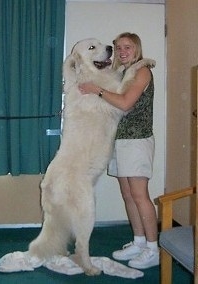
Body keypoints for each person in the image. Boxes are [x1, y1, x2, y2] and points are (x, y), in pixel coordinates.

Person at [78, 32, 159, 270]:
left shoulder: (142, 71)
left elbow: (125, 103)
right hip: (120, 141)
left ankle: (153, 249)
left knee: (139, 195)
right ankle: (139, 241)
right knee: (127, 195)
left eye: (128, 47)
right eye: (119, 48)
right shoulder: (122, 73)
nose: (122, 51)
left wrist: (97, 90)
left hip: (137, 141)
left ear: (137, 48)